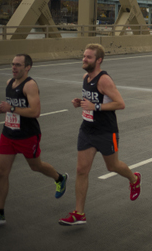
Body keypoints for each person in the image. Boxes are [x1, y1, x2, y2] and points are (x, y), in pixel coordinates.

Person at [59, 44, 140, 226]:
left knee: (112, 166)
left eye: (88, 57)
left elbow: (120, 104)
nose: (84, 59)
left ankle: (134, 179)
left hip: (106, 131)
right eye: (84, 56)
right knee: (81, 170)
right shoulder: (85, 78)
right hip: (87, 130)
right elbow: (94, 99)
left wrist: (95, 106)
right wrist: (80, 102)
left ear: (98, 60)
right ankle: (79, 213)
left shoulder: (104, 80)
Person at [0, 54, 68, 227]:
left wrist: (11, 108)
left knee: (35, 166)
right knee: (1, 172)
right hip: (8, 133)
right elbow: (12, 108)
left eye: (18, 65)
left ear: (27, 67)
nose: (14, 67)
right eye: (13, 64)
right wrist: (6, 110)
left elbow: (35, 112)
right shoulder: (9, 83)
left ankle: (59, 178)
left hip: (28, 135)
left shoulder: (30, 85)